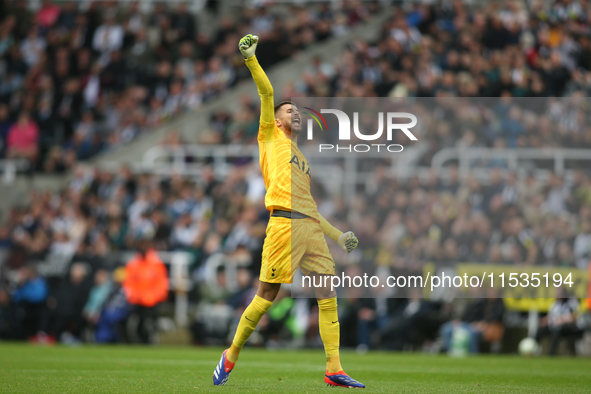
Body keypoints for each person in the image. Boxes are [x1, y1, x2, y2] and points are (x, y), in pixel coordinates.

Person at [212, 34, 364, 388]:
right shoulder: (270, 138)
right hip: (283, 226)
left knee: (328, 293)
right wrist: (251, 58)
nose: (294, 113)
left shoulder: (302, 160)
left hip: (310, 228)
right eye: (288, 111)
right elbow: (267, 94)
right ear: (276, 120)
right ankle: (231, 354)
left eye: (296, 111)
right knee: (267, 295)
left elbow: (309, 208)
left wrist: (338, 235)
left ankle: (334, 368)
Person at [122, 230, 169, 344]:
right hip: (137, 302)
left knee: (149, 323)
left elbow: (161, 284)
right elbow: (128, 284)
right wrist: (138, 297)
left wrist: (151, 297)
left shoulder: (157, 263)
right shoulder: (133, 264)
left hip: (152, 302)